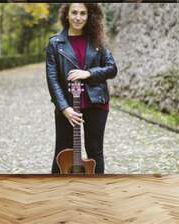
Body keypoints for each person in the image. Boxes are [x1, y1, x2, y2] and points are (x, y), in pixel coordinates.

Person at [46, 3, 118, 174]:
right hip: (68, 106)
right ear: (67, 15)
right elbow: (52, 79)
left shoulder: (98, 40)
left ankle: (96, 192)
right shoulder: (55, 43)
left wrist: (88, 73)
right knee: (62, 152)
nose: (78, 17)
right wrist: (64, 108)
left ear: (89, 16)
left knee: (94, 151)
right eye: (75, 13)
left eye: (83, 13)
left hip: (96, 103)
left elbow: (112, 69)